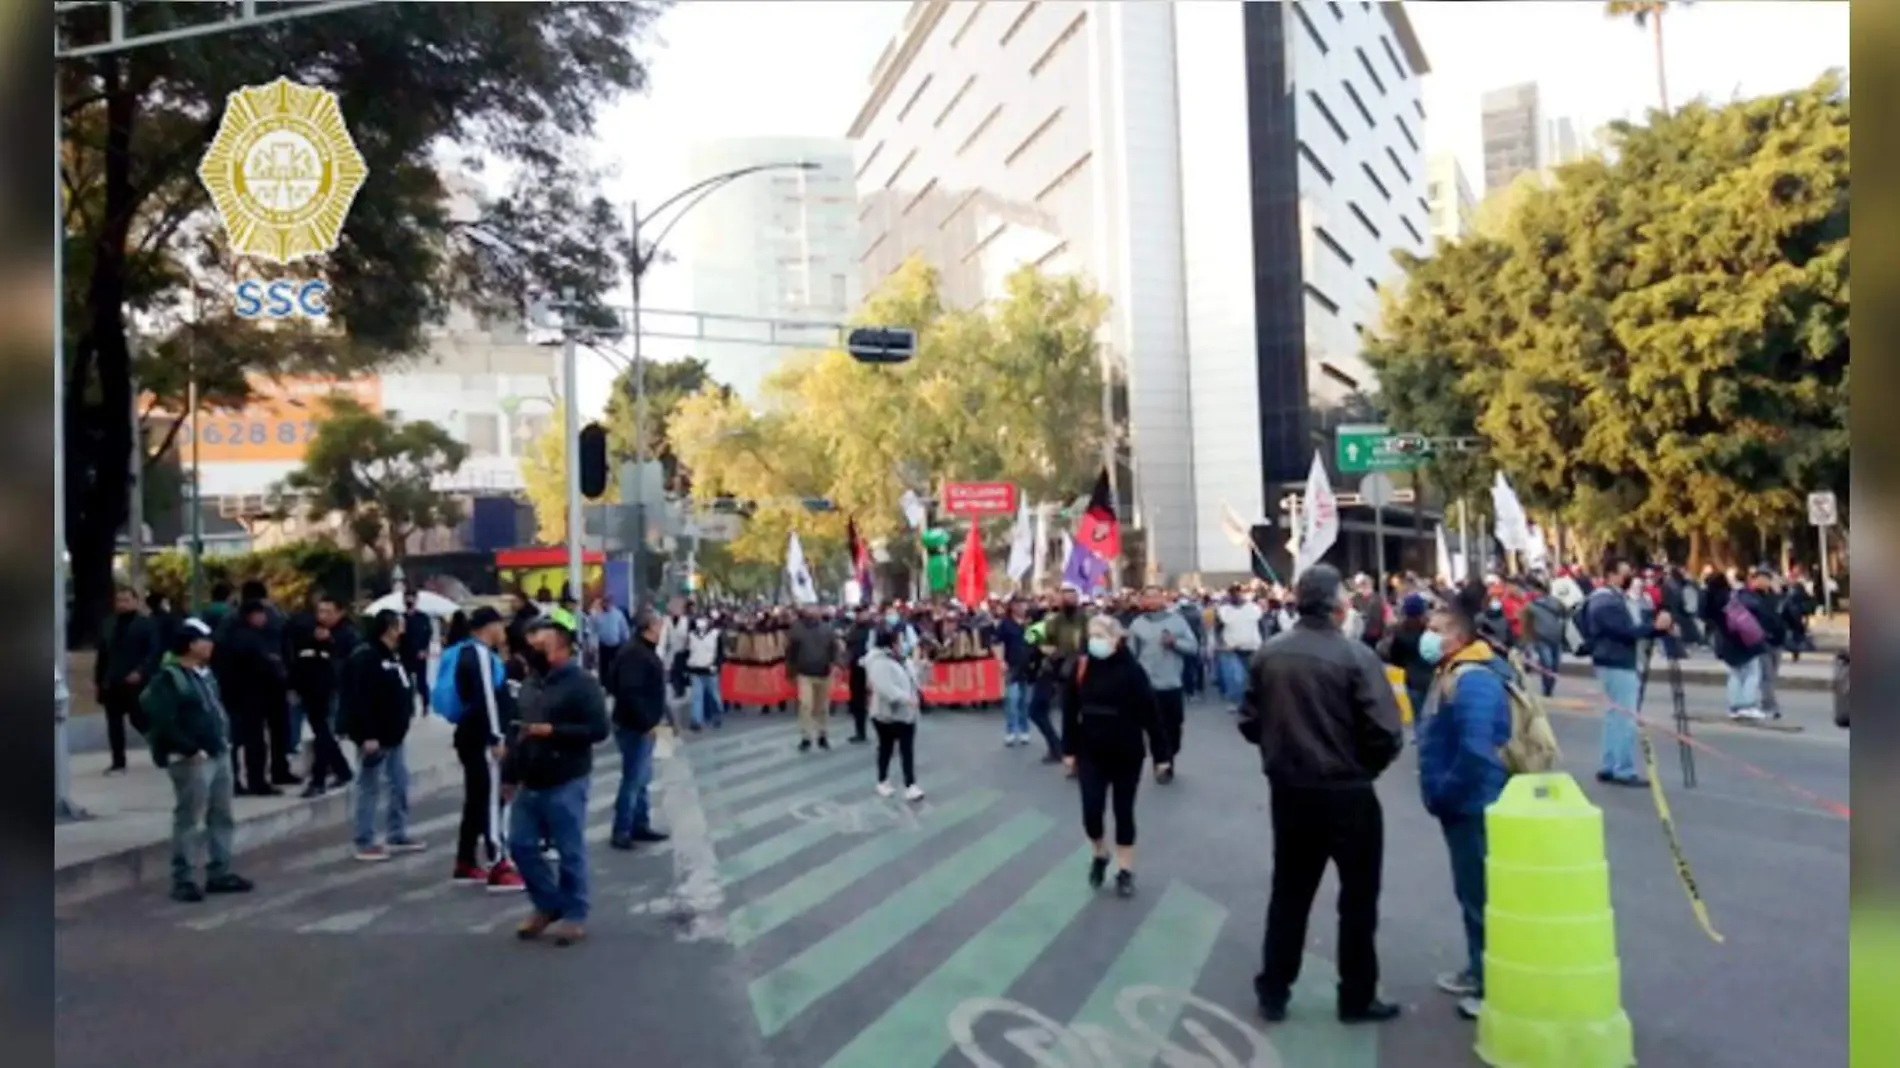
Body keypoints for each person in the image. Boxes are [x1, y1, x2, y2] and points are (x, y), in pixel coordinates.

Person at [1240, 564, 1405, 1025]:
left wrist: (1282, 749)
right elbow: (1386, 732)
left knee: (1289, 892)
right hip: (1348, 791)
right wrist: (1363, 767)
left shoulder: (1271, 654)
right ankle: (1356, 996)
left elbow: (1250, 721)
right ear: (1338, 606)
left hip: (1291, 790)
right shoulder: (1356, 657)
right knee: (1358, 898)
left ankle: (1274, 989)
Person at [1415, 588, 1514, 1021]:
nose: (1428, 637)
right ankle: (1477, 969)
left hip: (1473, 804)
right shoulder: (1454, 669)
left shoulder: (1473, 678)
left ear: (1457, 636)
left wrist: (1445, 792)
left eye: (1436, 630)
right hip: (1462, 803)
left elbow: (1477, 752)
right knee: (1470, 892)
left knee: (1482, 895)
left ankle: (1494, 984)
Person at [505, 620, 611, 945]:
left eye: (542, 647)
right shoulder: (529, 684)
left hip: (566, 778)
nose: (534, 653)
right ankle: (548, 904)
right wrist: (510, 774)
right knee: (520, 846)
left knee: (569, 850)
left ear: (562, 649)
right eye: (532, 646)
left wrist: (555, 731)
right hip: (530, 779)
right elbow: (518, 732)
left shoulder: (582, 684)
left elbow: (598, 730)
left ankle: (575, 914)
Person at [140, 618, 253, 903]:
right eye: (205, 641)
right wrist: (188, 748)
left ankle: (220, 871)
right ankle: (184, 878)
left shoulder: (205, 675)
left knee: (221, 814)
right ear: (191, 645)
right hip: (192, 759)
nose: (211, 646)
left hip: (217, 753)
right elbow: (158, 718)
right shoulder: (169, 678)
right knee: (189, 818)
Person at [1061, 614, 1165, 897]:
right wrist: (1068, 749)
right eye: (1092, 636)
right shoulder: (1081, 667)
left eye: (1102, 636)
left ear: (1117, 639)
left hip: (1126, 749)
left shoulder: (1132, 671)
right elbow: (1069, 710)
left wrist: (1160, 755)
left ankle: (1125, 870)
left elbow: (1151, 714)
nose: (1096, 642)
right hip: (1090, 749)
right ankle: (1100, 852)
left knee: (1123, 812)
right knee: (1091, 812)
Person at [450, 607, 525, 891]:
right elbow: (487, 700)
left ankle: (466, 861)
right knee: (492, 800)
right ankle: (498, 864)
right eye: (500, 626)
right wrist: (496, 737)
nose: (503, 633)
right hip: (483, 738)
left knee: (477, 798)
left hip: (472, 735)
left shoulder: (467, 653)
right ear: (490, 626)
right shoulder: (479, 655)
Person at [1578, 559, 1673, 785]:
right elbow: (1625, 630)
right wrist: (1655, 629)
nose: (1628, 578)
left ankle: (1610, 764)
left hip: (1611, 660)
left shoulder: (1607, 598)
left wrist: (1653, 629)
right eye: (1624, 573)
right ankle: (1623, 768)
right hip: (1616, 661)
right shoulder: (1605, 601)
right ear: (1611, 576)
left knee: (1614, 716)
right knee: (1625, 717)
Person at [340, 610, 425, 861]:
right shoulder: (367, 657)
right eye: (399, 625)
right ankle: (364, 839)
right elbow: (360, 698)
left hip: (394, 734)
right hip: (375, 735)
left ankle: (397, 832)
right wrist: (367, 734)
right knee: (369, 786)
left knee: (399, 783)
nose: (403, 630)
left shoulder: (393, 655)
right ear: (388, 627)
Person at [606, 610, 671, 850]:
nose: (661, 631)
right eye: (658, 626)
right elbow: (629, 692)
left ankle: (639, 824)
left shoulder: (639, 651)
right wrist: (646, 723)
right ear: (649, 628)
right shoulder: (635, 654)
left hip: (645, 723)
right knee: (633, 778)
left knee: (642, 777)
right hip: (636, 727)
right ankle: (622, 828)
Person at [214, 600, 292, 795]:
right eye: (262, 615)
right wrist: (277, 670)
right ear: (253, 616)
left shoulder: (231, 634)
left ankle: (237, 781)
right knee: (253, 741)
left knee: (238, 740)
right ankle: (256, 782)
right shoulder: (248, 638)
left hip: (236, 694)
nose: (265, 619)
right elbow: (262, 664)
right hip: (250, 695)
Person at [284, 595, 354, 797]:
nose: (322, 616)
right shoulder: (311, 632)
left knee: (323, 734)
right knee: (322, 733)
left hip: (333, 690)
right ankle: (342, 770)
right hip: (312, 690)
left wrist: (330, 643)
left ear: (340, 613)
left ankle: (319, 778)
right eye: (320, 611)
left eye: (328, 612)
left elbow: (344, 663)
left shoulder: (346, 634)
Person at [1126, 585, 1198, 783]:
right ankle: (1161, 763)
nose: (1152, 601)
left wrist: (1175, 643)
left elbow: (1193, 647)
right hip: (1147, 685)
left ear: (1163, 599)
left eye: (1156, 597)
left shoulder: (1177, 621)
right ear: (1142, 601)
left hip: (1172, 683)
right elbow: (1130, 656)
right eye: (1148, 597)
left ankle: (1169, 755)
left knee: (1174, 727)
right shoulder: (1137, 625)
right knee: (1153, 727)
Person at [96, 585, 160, 774]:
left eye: (126, 600)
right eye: (119, 600)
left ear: (135, 601)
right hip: (112, 680)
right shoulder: (109, 624)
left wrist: (141, 671)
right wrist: (100, 682)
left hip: (136, 682)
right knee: (114, 723)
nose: (122, 604)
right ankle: (118, 762)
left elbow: (153, 652)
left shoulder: (146, 624)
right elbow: (103, 655)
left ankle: (160, 747)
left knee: (140, 719)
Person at [863, 624, 926, 800]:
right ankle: (882, 781)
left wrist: (923, 668)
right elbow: (885, 688)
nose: (902, 643)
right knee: (886, 748)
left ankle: (910, 785)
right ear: (890, 643)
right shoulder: (878, 662)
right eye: (900, 640)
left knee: (907, 750)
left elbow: (914, 678)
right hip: (885, 714)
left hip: (906, 713)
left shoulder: (902, 659)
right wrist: (906, 698)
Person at [785, 604, 841, 752]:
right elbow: (790, 653)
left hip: (824, 672)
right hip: (805, 673)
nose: (813, 611)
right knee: (805, 705)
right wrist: (790, 672)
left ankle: (822, 734)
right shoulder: (796, 629)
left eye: (815, 608)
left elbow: (834, 648)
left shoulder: (827, 629)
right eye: (809, 608)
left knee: (822, 706)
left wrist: (835, 664)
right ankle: (806, 737)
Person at [994, 600, 1035, 747]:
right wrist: (1001, 661)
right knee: (1012, 699)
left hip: (1027, 666)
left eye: (1023, 604)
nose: (1021, 607)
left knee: (1025, 701)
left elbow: (1034, 642)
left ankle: (1024, 730)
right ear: (1011, 607)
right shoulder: (1005, 624)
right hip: (1011, 666)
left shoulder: (1029, 624)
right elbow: (996, 642)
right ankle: (1010, 731)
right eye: (1017, 604)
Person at [1214, 586, 1264, 705]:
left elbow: (1262, 626)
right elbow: (1217, 628)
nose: (1236, 595)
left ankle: (1252, 702)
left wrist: (1263, 642)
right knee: (1237, 677)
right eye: (1233, 593)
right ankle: (1236, 702)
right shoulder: (1224, 610)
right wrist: (1220, 644)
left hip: (1252, 648)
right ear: (1229, 595)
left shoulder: (1254, 608)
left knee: (1252, 677)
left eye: (1238, 592)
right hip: (1232, 649)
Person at [684, 612, 726, 730]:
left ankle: (717, 715)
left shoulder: (715, 635)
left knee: (714, 695)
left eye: (703, 619)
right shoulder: (691, 635)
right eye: (699, 619)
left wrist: (716, 665)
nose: (701, 622)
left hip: (710, 670)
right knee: (697, 696)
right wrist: (686, 667)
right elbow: (686, 653)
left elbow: (720, 653)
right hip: (695, 669)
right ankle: (696, 721)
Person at [844, 607, 877, 743]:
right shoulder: (852, 629)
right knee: (857, 701)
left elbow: (875, 647)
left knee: (877, 701)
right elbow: (848, 646)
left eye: (863, 613)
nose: (860, 616)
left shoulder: (873, 629)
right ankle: (860, 732)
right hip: (856, 668)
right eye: (858, 613)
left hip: (872, 668)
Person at [400, 591, 434, 715]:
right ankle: (410, 707)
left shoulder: (423, 618)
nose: (409, 602)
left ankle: (425, 705)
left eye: (412, 599)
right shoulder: (401, 617)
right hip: (405, 653)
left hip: (420, 654)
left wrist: (424, 649)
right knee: (407, 682)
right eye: (407, 599)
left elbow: (428, 634)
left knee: (422, 682)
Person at [590, 595, 630, 680]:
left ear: (611, 603)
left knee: (615, 669)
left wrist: (627, 644)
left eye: (608, 602)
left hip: (616, 647)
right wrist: (592, 645)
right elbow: (593, 630)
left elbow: (624, 630)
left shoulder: (618, 615)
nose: (606, 604)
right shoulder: (598, 615)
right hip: (603, 647)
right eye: (604, 602)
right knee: (603, 670)